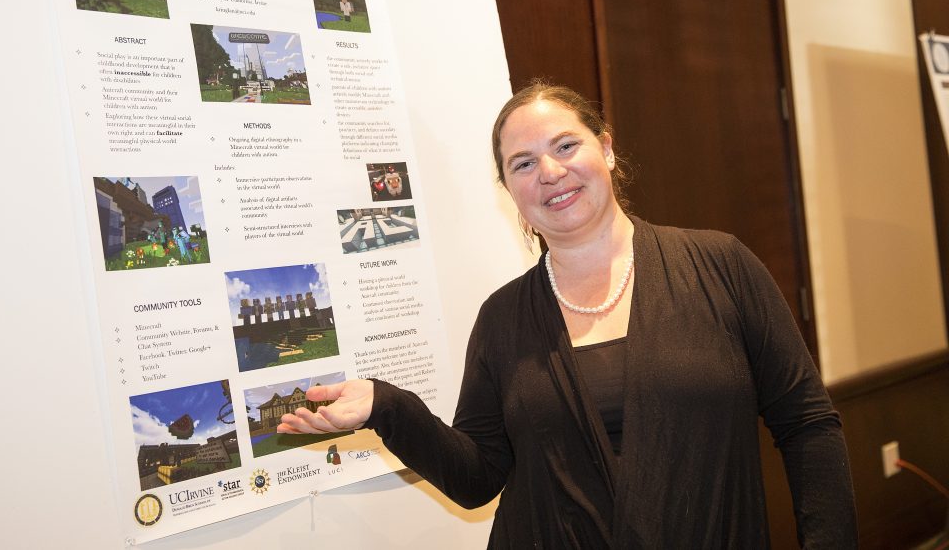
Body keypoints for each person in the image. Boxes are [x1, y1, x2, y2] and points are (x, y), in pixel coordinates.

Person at [279, 81, 857, 547]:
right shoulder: (503, 318)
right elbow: (478, 476)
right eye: (523, 163)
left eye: (565, 146)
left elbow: (807, 425)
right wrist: (388, 406)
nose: (550, 173)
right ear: (509, 189)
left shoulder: (720, 265)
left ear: (605, 147)